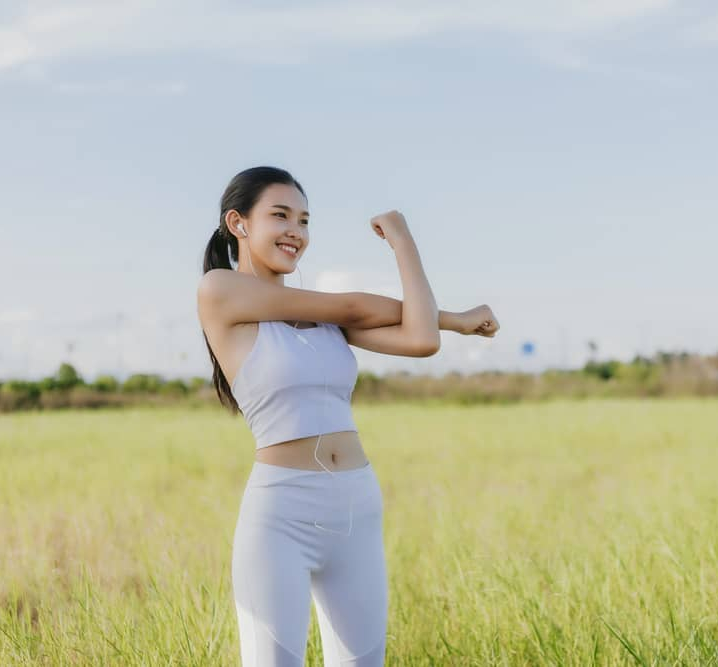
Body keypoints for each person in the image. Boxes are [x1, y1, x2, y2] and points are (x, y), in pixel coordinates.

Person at [196, 166, 499, 666]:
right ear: (239, 222)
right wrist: (456, 317)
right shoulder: (219, 290)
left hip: (356, 505)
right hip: (282, 514)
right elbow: (356, 307)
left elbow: (420, 339)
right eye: (280, 216)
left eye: (305, 220)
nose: (296, 231)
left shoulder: (326, 320)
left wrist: (404, 242)